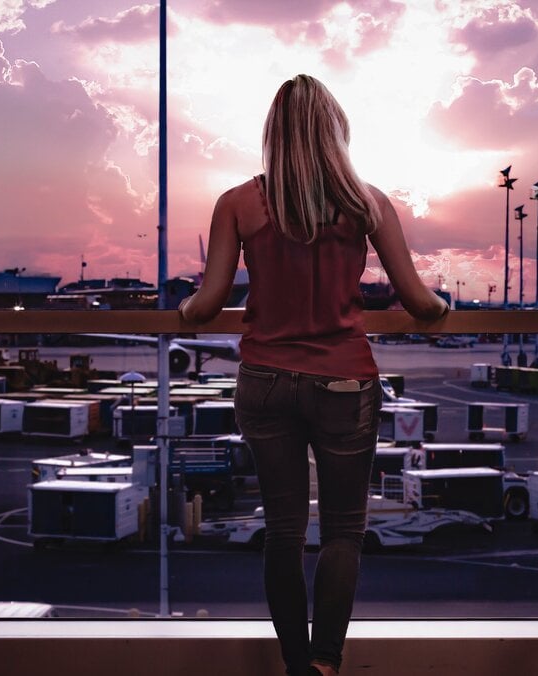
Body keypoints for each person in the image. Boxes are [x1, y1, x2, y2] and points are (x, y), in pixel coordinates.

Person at [179, 74, 449, 676]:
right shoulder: (366, 202)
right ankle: (327, 663)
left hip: (266, 378)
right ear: (335, 130)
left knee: (281, 531)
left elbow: (208, 301)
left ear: (273, 132)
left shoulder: (239, 203)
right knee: (343, 533)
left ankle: (295, 665)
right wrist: (442, 311)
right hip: (344, 382)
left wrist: (183, 313)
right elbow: (418, 300)